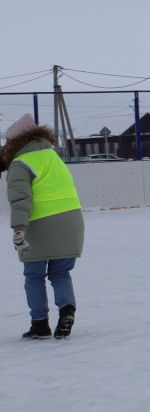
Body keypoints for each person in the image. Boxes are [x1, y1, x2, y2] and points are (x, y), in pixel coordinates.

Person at [5, 114, 83, 339]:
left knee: (34, 275)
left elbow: (20, 200)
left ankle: (40, 324)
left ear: (15, 142)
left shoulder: (20, 163)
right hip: (72, 220)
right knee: (61, 272)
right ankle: (67, 309)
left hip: (40, 224)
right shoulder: (52, 156)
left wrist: (18, 230)